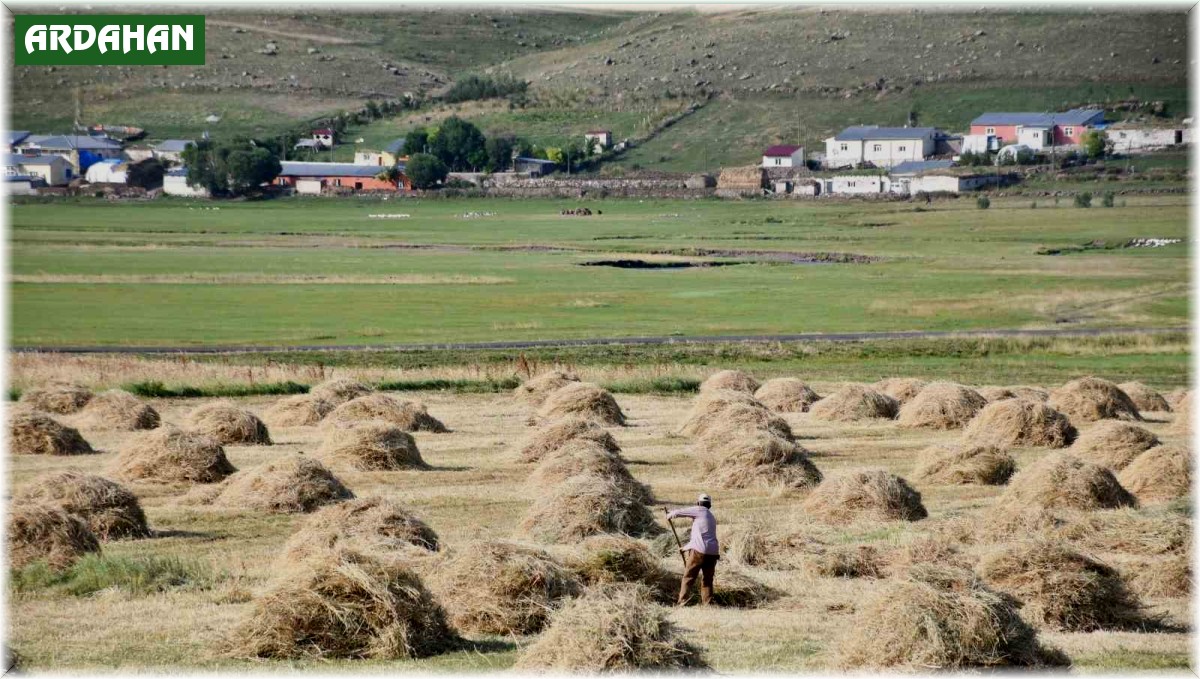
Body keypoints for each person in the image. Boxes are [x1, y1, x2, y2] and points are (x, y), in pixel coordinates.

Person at [665, 493, 719, 606]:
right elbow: (702, 538)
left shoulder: (699, 510)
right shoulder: (711, 517)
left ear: (698, 503)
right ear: (710, 505)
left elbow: (680, 512)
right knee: (707, 580)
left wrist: (670, 515)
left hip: (699, 551)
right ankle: (708, 603)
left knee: (688, 577)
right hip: (713, 552)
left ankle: (682, 601)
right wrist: (685, 548)